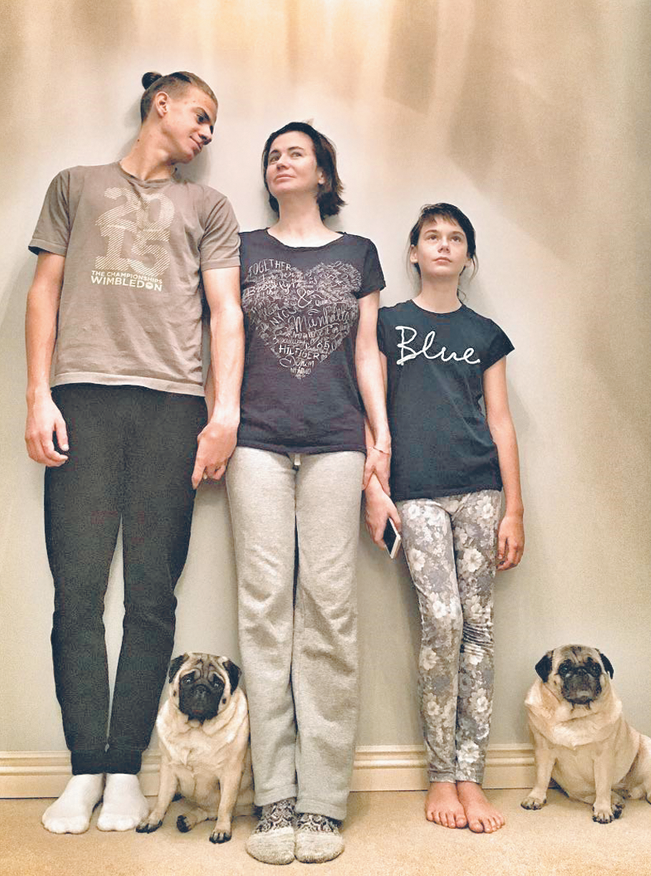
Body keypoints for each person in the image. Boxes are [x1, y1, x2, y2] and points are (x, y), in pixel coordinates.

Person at [24, 71, 243, 834]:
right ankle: (85, 768)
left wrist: (223, 414)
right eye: (201, 115)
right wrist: (38, 396)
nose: (208, 132)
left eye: (214, 124)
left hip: (173, 406)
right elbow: (44, 291)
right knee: (76, 594)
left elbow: (226, 313)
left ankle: (125, 770)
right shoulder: (75, 185)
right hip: (82, 396)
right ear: (162, 103)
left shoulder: (209, 206)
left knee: (152, 596)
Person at [224, 121, 390, 864]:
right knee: (264, 610)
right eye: (273, 155)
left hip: (336, 442)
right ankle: (275, 796)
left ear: (324, 172)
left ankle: (322, 800)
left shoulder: (359, 254)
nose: (281, 162)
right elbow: (224, 341)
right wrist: (219, 420)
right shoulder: (240, 249)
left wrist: (380, 440)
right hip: (255, 441)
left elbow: (367, 353)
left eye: (296, 153)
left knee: (329, 609)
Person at [365, 203, 524, 834]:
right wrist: (374, 484)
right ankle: (439, 772)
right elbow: (372, 410)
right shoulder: (388, 324)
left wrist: (515, 509)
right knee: (443, 619)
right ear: (413, 252)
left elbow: (501, 422)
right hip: (416, 492)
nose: (442, 245)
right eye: (431, 236)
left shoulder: (485, 333)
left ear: (468, 257)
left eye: (455, 238)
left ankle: (470, 776)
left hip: (480, 490)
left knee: (479, 629)